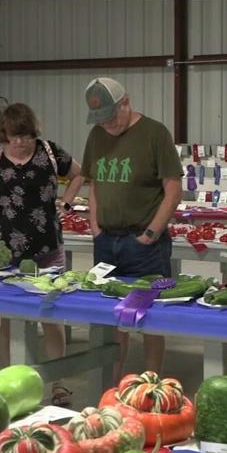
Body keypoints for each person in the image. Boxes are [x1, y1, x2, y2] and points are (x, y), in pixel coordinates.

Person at [0, 102, 84, 405]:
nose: (20, 142)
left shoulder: (50, 152)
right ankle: (11, 378)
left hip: (46, 243)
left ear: (34, 133)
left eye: (26, 136)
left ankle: (58, 383)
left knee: (51, 314)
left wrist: (66, 201)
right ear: (5, 133)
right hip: (5, 246)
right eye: (15, 137)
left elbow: (80, 174)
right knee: (9, 315)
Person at [81, 77, 183, 383]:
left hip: (144, 244)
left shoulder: (154, 134)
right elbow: (94, 185)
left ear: (126, 102)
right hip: (106, 242)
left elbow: (174, 190)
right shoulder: (97, 135)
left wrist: (150, 234)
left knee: (149, 316)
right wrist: (95, 227)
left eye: (112, 117)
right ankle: (112, 384)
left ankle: (151, 385)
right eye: (101, 120)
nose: (107, 125)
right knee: (110, 315)